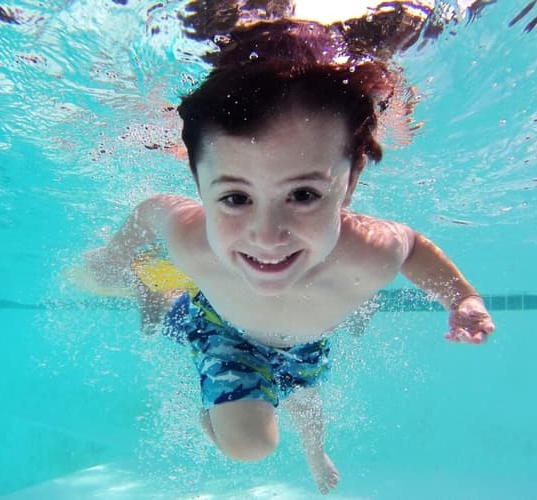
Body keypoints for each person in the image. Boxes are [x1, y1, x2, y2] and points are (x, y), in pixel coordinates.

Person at [82, 24, 495, 496]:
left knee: (305, 400)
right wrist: (116, 254)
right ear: (199, 186)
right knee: (250, 444)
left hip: (304, 342)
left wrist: (461, 298)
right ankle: (162, 304)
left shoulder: (370, 249)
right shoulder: (192, 239)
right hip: (222, 330)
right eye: (236, 198)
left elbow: (414, 247)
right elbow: (152, 210)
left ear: (350, 182)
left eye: (302, 195)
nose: (267, 237)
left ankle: (315, 454)